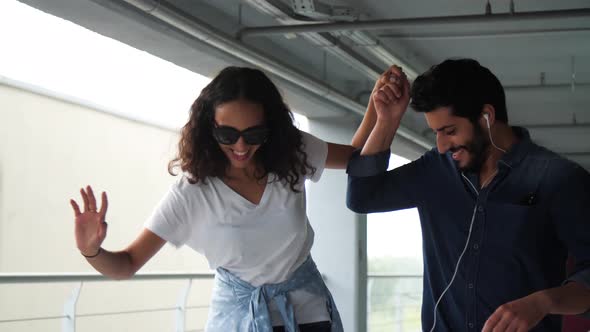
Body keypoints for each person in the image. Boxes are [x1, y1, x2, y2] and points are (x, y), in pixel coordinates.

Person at [69, 66, 397, 332]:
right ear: (208, 128)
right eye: (227, 135)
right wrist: (91, 250)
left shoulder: (291, 153)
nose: (240, 147)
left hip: (308, 316)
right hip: (242, 320)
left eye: (253, 135)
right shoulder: (193, 192)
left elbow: (357, 158)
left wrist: (377, 109)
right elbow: (126, 265)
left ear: (271, 128)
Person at [346, 58, 590, 332]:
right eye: (436, 132)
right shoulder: (435, 172)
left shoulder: (558, 178)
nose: (441, 146)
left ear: (486, 116)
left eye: (449, 131)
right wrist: (387, 121)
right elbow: (362, 197)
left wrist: (544, 302)